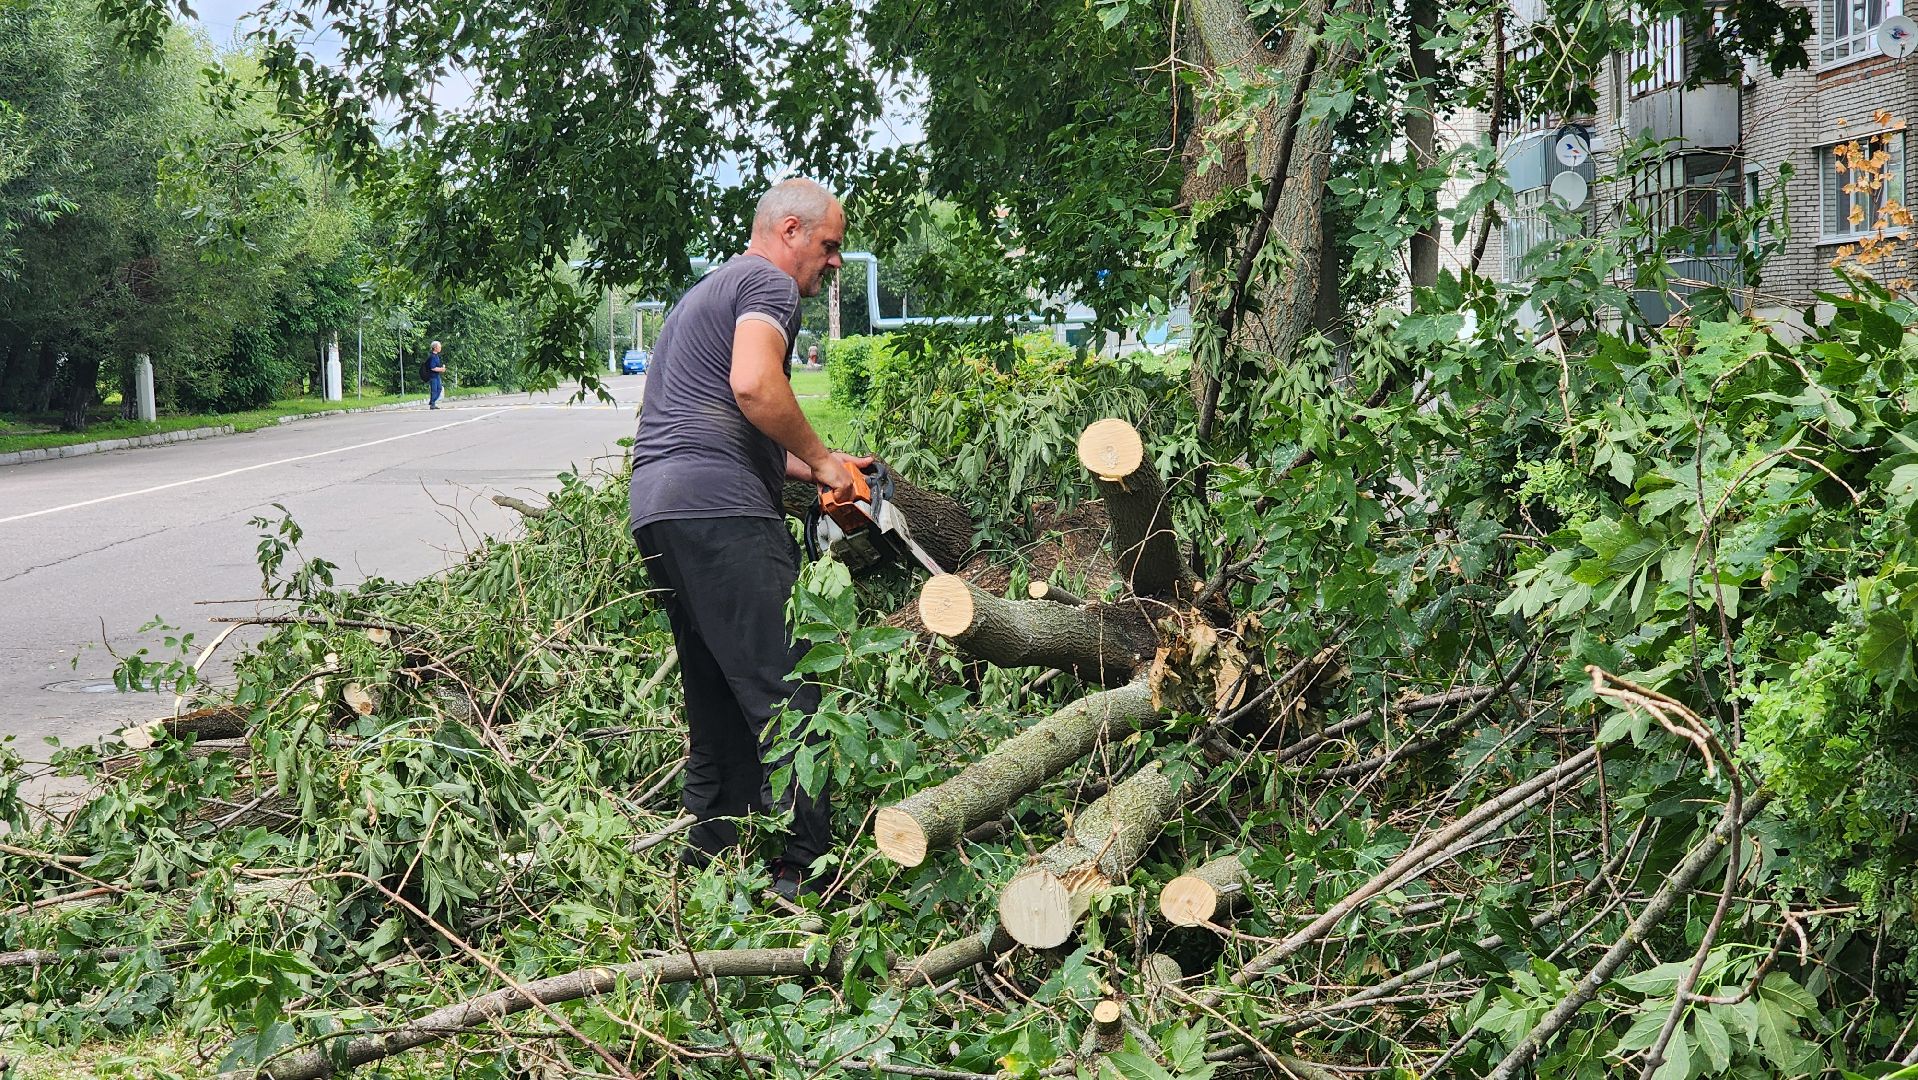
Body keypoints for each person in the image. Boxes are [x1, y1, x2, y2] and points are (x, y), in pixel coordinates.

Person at [627, 178, 867, 900]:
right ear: (789, 230)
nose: (833, 263)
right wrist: (824, 463)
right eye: (829, 246)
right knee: (789, 690)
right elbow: (755, 387)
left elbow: (729, 421)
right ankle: (803, 872)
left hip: (662, 512)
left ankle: (709, 863)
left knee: (718, 693)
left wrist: (831, 464)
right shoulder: (768, 283)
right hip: (724, 511)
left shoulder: (709, 290)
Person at [427, 341, 446, 410]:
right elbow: (432, 368)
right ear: (435, 348)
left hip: (436, 375)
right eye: (439, 347)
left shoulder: (436, 356)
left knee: (439, 388)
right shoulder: (432, 356)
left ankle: (432, 402)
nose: (440, 348)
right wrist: (441, 369)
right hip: (433, 376)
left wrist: (441, 368)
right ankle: (432, 403)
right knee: (434, 390)